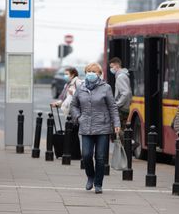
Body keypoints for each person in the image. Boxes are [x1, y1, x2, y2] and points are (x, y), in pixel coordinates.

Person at [70, 62, 120, 194]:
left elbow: (112, 107)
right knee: (86, 155)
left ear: (99, 74)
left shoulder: (106, 88)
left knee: (100, 157)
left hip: (102, 127)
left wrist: (116, 124)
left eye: (94, 72)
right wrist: (78, 118)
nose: (91, 74)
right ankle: (90, 176)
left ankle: (98, 183)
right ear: (85, 74)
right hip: (86, 126)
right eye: (89, 72)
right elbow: (73, 105)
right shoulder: (81, 88)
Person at [51, 66, 82, 159]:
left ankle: (75, 155)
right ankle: (74, 154)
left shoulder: (78, 83)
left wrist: (74, 94)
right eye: (64, 74)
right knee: (71, 133)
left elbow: (82, 96)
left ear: (73, 74)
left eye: (66, 74)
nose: (65, 76)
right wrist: (57, 103)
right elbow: (64, 98)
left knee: (73, 133)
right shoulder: (67, 85)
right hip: (69, 111)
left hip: (76, 112)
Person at [109, 57, 132, 140]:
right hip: (124, 107)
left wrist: (117, 104)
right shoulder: (122, 75)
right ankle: (126, 148)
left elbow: (126, 93)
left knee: (116, 129)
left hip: (121, 108)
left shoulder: (120, 77)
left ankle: (131, 143)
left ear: (117, 65)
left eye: (112, 67)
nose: (111, 69)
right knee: (120, 129)